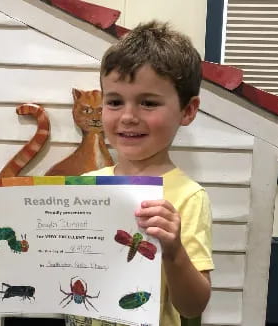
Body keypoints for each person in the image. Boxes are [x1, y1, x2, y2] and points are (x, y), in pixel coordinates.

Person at [65, 20, 214, 326]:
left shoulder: (189, 197)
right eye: (115, 102)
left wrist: (174, 253)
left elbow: (192, 306)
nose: (128, 117)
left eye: (148, 103)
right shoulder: (83, 188)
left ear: (188, 110)